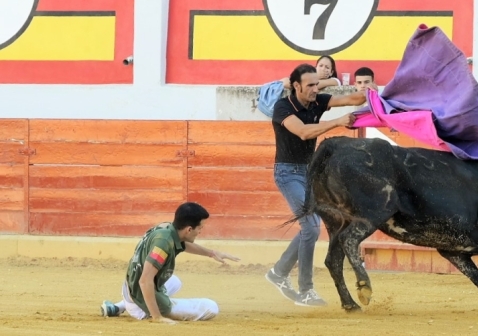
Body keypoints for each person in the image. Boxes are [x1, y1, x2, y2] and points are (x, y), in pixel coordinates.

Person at [265, 64, 367, 307]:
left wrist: (371, 92)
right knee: (311, 226)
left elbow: (351, 98)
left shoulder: (317, 101)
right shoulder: (282, 107)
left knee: (309, 228)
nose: (315, 89)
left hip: (310, 173)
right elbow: (303, 132)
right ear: (296, 86)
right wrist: (338, 122)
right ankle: (305, 290)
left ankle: (278, 273)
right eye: (310, 85)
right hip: (288, 173)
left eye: (316, 84)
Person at [100, 202, 240, 323]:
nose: (200, 231)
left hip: (130, 287)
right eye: (200, 228)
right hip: (139, 296)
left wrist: (212, 253)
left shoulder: (166, 228)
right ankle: (142, 310)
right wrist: (157, 317)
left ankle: (119, 306)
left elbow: (183, 244)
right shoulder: (163, 244)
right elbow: (145, 281)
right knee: (211, 307)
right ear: (189, 229)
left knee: (175, 282)